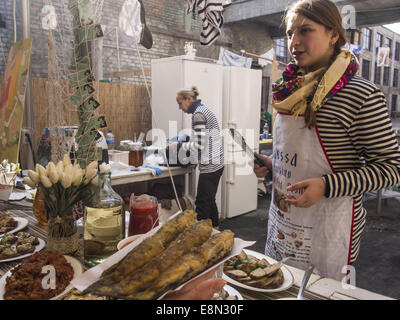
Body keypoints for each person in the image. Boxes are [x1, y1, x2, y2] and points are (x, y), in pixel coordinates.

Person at [254, 0, 400, 281]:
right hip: (283, 225)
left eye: (305, 30)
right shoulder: (288, 91)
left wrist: (326, 185)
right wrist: (274, 166)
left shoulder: (361, 95)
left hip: (327, 230)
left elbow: (391, 168)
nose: (294, 42)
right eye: (289, 33)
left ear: (334, 34)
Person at [169, 86, 224, 227]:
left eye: (180, 103)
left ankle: (199, 235)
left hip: (211, 165)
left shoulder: (198, 114)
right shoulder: (204, 109)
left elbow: (200, 146)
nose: (179, 107)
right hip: (216, 162)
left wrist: (178, 146)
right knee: (209, 200)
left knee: (202, 203)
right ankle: (215, 230)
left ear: (188, 99)